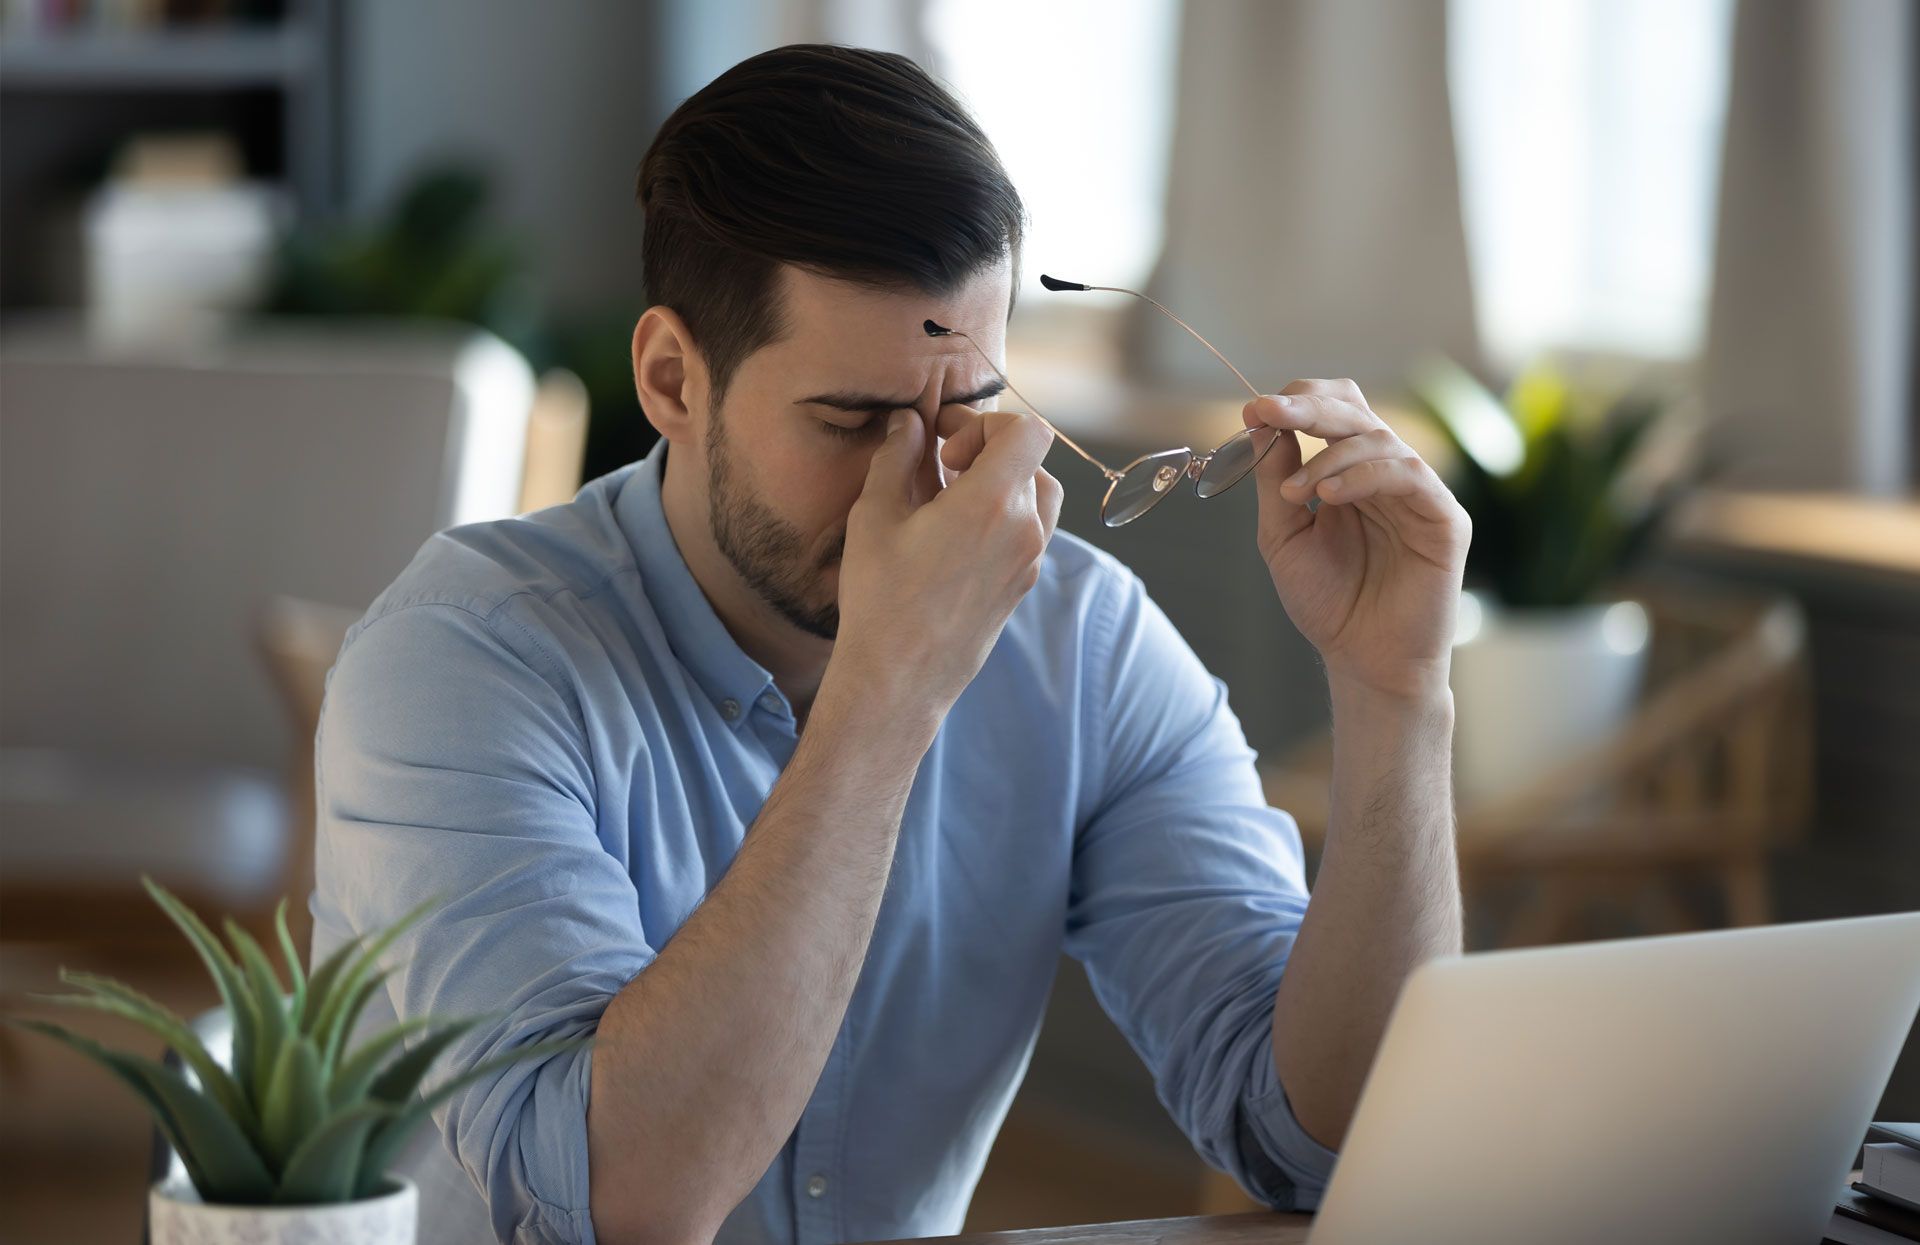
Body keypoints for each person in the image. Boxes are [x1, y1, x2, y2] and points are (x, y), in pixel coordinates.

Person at [311, 43, 1469, 1245]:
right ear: (672, 380)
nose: (916, 485)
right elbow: (615, 1211)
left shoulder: (1083, 644)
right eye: (852, 420)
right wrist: (890, 688)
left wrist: (1395, 693)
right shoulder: (460, 660)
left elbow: (1322, 1143)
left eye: (966, 411)